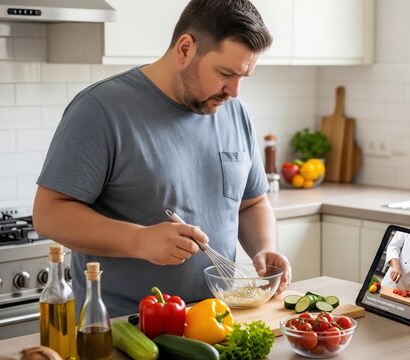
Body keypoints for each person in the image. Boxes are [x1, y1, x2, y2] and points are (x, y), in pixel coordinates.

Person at [33, 0, 291, 317]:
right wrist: (139, 240)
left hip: (217, 320)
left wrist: (264, 248)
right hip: (124, 329)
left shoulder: (236, 113)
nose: (234, 91)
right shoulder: (100, 109)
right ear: (185, 49)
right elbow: (48, 214)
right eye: (226, 73)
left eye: (244, 76)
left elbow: (252, 202)